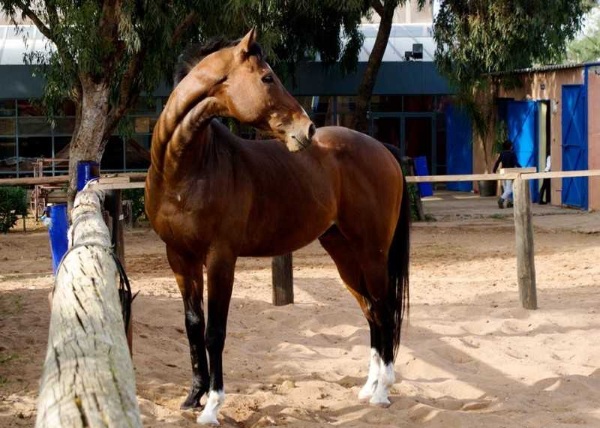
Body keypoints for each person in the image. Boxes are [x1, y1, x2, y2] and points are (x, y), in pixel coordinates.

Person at [493, 139, 521, 209]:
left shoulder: (502, 153)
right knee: (509, 190)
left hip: (503, 172)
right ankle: (501, 200)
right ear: (511, 146)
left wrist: (494, 170)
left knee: (506, 189)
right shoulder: (512, 153)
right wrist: (521, 168)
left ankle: (509, 203)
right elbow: (515, 163)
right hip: (509, 172)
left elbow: (497, 162)